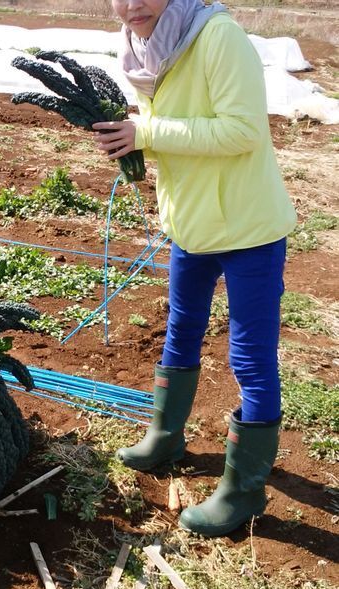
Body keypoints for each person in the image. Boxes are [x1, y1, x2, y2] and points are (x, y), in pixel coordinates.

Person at [92, 0, 296, 537]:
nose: (132, 5)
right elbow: (164, 132)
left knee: (249, 360)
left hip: (248, 228)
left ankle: (243, 491)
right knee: (179, 332)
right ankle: (166, 435)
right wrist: (132, 142)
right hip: (192, 224)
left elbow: (241, 132)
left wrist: (146, 134)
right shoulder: (138, 49)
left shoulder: (218, 37)